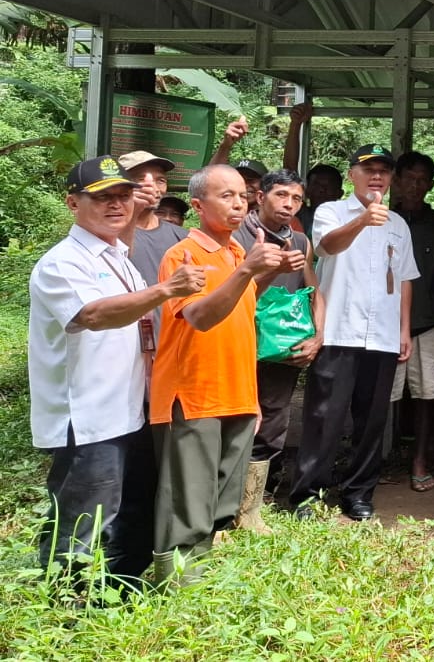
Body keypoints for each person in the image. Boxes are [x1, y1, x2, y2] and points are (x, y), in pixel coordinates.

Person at [28, 157, 205, 584]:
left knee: (133, 511)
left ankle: (120, 591)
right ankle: (64, 605)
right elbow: (91, 315)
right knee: (82, 519)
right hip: (89, 418)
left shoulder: (119, 259)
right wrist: (164, 289)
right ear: (73, 203)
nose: (115, 205)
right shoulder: (63, 262)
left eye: (122, 195)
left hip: (131, 410)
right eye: (102, 197)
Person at [150, 164, 290, 583]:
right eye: (225, 195)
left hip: (236, 391)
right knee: (187, 502)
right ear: (197, 205)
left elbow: (238, 310)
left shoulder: (234, 254)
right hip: (193, 395)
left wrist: (263, 273)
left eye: (241, 196)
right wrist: (250, 270)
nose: (238, 203)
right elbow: (199, 318)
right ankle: (175, 585)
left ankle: (199, 577)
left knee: (219, 503)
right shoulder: (183, 255)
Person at [290, 144, 419, 522]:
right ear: (352, 175)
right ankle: (307, 494)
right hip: (338, 331)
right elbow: (327, 248)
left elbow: (406, 279)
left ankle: (359, 493)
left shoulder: (398, 224)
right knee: (324, 417)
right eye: (368, 170)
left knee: (372, 421)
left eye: (383, 171)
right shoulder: (331, 212)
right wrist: (362, 220)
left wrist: (404, 330)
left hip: (381, 334)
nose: (376, 177)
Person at [233, 169, 324, 532]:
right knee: (235, 422)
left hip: (282, 348)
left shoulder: (301, 242)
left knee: (273, 421)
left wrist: (318, 336)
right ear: (260, 197)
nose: (289, 204)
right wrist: (269, 269)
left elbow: (315, 288)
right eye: (281, 195)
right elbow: (232, 294)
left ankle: (255, 503)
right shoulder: (237, 236)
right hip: (239, 345)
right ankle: (223, 505)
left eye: (296, 199)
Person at [390, 151, 434, 493]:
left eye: (422, 180)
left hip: (427, 320)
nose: (415, 186)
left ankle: (420, 461)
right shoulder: (381, 219)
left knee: (428, 392)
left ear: (430, 185)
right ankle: (380, 457)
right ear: (397, 181)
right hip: (385, 324)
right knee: (383, 394)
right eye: (408, 179)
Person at [118, 151, 188, 289]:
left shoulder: (182, 236)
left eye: (160, 181)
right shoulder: (106, 235)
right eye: (140, 179)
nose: (153, 188)